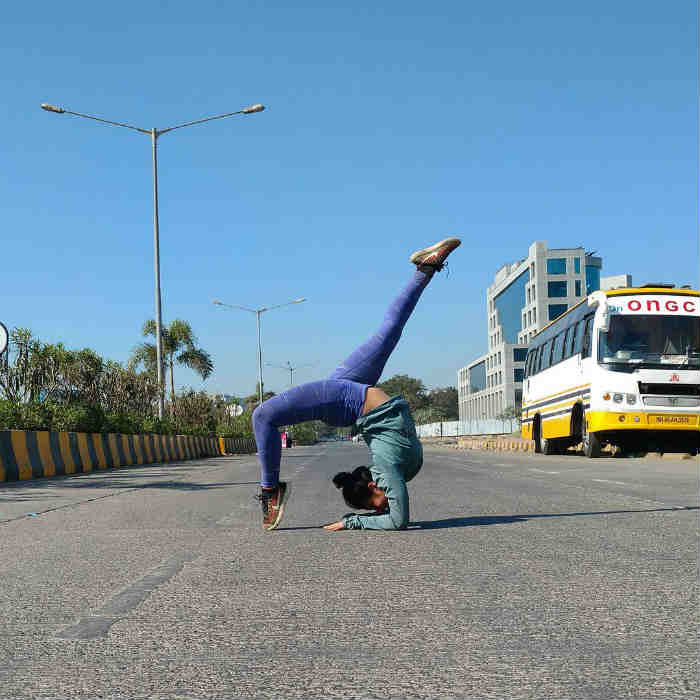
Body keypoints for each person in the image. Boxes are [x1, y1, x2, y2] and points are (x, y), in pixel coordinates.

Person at [252, 237, 461, 531]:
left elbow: (394, 517)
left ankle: (271, 490)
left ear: (372, 487)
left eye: (375, 506)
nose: (386, 505)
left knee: (263, 416)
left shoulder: (387, 473)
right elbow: (398, 521)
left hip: (350, 401)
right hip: (353, 398)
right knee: (389, 332)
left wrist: (353, 519)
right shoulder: (390, 474)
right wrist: (359, 520)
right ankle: (424, 270)